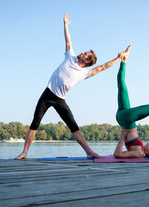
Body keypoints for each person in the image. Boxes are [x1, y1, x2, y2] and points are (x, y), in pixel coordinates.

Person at [15, 14, 126, 159]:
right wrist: (66, 25)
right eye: (85, 51)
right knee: (35, 122)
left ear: (86, 61)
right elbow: (68, 41)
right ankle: (24, 153)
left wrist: (118, 58)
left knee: (73, 126)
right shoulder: (70, 56)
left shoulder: (85, 73)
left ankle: (89, 152)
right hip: (47, 94)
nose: (83, 52)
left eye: (85, 53)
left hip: (60, 100)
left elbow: (103, 67)